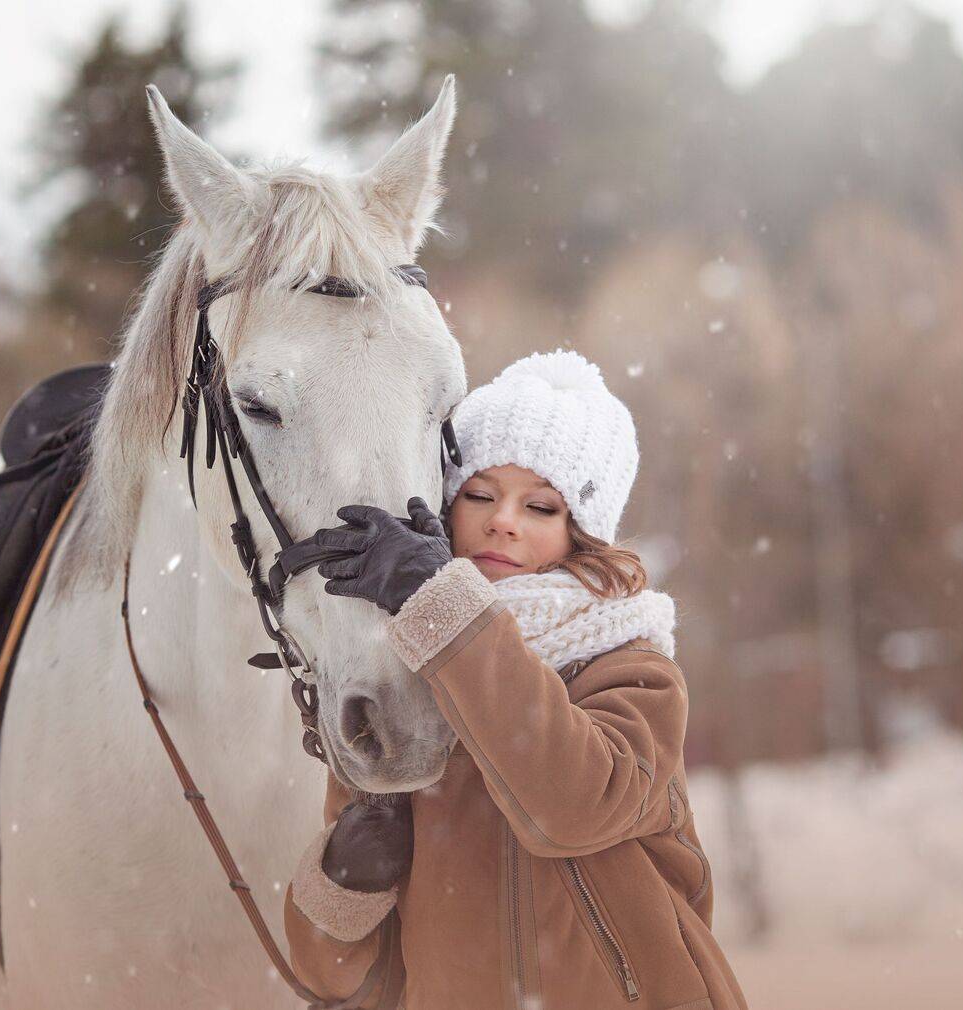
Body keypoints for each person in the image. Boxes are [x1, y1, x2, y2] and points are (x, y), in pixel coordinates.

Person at [282, 349, 749, 1010]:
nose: (503, 519)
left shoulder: (635, 671)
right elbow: (331, 979)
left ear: (581, 534)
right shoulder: (400, 692)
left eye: (541, 506)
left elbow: (574, 805)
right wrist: (345, 881)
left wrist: (443, 602)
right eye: (479, 494)